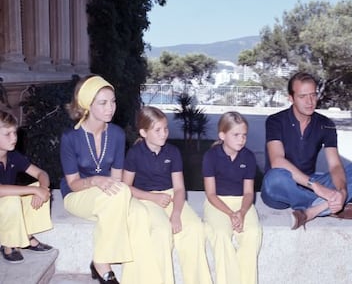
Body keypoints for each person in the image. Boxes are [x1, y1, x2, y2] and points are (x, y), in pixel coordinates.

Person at [60, 75, 161, 284]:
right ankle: (102, 264)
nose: (111, 108)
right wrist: (96, 180)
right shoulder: (70, 138)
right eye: (103, 103)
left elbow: (116, 179)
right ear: (87, 104)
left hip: (110, 196)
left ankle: (138, 278)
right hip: (78, 196)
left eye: (113, 101)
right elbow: (73, 184)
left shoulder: (116, 134)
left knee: (141, 214)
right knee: (123, 196)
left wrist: (109, 186)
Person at [261, 72, 352, 230]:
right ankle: (330, 209)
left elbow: (335, 165)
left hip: (312, 181)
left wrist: (342, 191)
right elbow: (277, 161)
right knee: (275, 178)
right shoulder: (275, 121)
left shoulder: (325, 124)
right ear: (291, 98)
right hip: (283, 188)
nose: (309, 102)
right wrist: (317, 187)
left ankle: (313, 211)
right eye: (302, 96)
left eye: (313, 95)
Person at [122, 106, 212, 284]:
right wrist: (153, 198)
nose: (164, 134)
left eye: (165, 128)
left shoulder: (173, 152)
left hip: (171, 196)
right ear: (143, 132)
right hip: (145, 198)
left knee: (195, 228)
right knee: (161, 232)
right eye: (157, 130)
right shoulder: (134, 154)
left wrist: (176, 213)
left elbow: (179, 189)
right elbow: (126, 187)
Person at [202, 111, 262, 284]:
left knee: (253, 233)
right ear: (222, 135)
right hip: (217, 203)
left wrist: (242, 212)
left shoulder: (248, 157)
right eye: (236, 135)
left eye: (244, 135)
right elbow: (210, 194)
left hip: (242, 202)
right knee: (221, 234)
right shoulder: (211, 157)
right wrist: (230, 213)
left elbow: (249, 192)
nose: (241, 139)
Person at [0, 110, 53, 264]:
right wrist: (34, 190)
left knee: (41, 188)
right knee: (12, 200)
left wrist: (41, 189)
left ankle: (25, 235)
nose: (14, 138)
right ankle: (9, 243)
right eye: (7, 134)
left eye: (15, 133)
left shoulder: (13, 156)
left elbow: (42, 174)